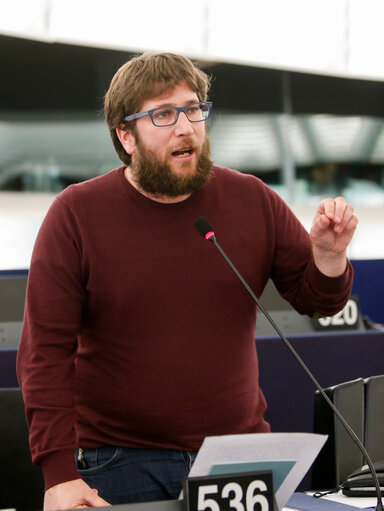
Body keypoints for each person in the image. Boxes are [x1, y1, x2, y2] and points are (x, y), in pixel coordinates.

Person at [16, 52, 358, 511]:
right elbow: (44, 353)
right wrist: (58, 474)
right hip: (118, 461)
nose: (186, 126)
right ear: (126, 135)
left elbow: (318, 300)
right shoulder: (76, 214)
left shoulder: (252, 199)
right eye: (163, 114)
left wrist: (330, 257)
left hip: (237, 459)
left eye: (194, 108)